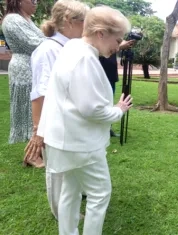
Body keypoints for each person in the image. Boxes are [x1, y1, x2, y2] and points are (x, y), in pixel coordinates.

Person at [27, 6, 133, 234]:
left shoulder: (72, 48)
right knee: (100, 192)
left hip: (64, 140)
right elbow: (91, 108)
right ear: (101, 33)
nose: (118, 46)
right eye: (118, 39)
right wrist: (118, 110)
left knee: (70, 190)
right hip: (79, 143)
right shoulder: (84, 57)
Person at [25, 0, 89, 220]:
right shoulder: (49, 50)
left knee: (71, 167)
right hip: (55, 123)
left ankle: (71, 203)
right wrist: (38, 131)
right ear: (70, 22)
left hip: (70, 121)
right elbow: (40, 94)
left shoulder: (71, 48)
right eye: (85, 22)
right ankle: (62, 213)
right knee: (58, 171)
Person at [2, 0, 46, 168]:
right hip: (24, 69)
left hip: (35, 67)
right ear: (19, 1)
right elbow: (34, 42)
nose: (35, 2)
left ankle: (37, 151)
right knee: (30, 112)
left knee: (37, 109)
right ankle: (32, 155)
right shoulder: (12, 19)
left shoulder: (27, 19)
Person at [99, 41, 136, 137]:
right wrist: (120, 46)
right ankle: (101, 128)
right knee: (102, 102)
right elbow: (101, 49)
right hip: (102, 74)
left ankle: (108, 128)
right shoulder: (98, 37)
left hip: (111, 74)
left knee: (109, 102)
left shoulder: (111, 36)